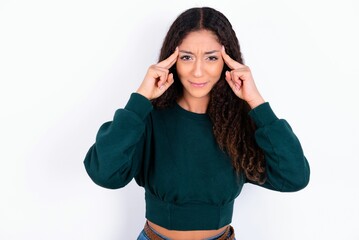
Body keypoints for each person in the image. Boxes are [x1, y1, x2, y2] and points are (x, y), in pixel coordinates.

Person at [83, 6, 310, 240]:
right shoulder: (148, 117)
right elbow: (104, 173)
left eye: (211, 58)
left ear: (228, 62)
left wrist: (256, 101)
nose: (198, 71)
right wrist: (141, 98)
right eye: (187, 57)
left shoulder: (238, 124)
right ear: (172, 60)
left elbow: (294, 177)